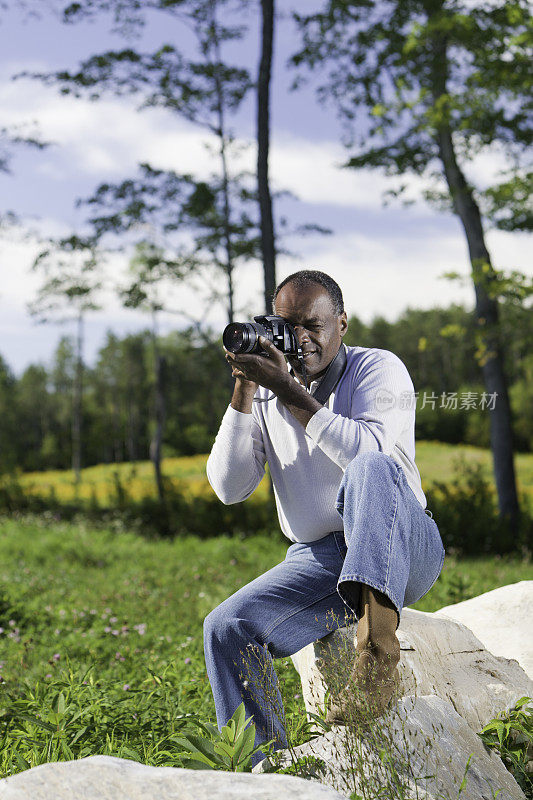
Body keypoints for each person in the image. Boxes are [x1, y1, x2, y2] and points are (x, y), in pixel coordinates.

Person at [204, 269, 445, 766]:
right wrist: (247, 391)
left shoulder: (378, 369)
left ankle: (377, 662)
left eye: (313, 325)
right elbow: (229, 488)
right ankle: (269, 774)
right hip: (320, 561)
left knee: (374, 466)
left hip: (402, 542)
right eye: (288, 327)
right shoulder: (268, 390)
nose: (301, 339)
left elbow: (368, 454)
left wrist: (289, 392)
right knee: (226, 627)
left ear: (342, 324)